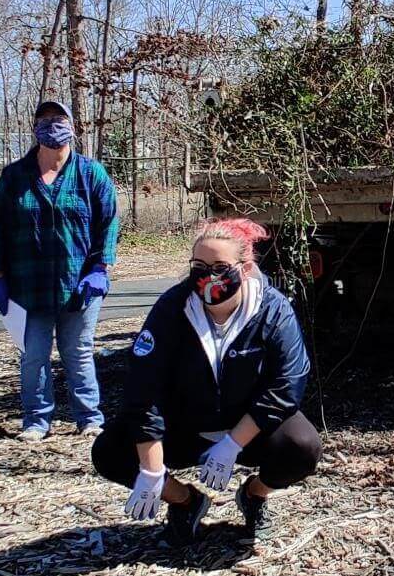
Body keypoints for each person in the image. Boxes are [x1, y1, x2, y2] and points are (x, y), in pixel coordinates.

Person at [93, 218, 320, 544]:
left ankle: (254, 496)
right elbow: (143, 388)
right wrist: (152, 471)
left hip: (248, 430)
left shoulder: (273, 310)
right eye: (199, 265)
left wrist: (233, 444)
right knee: (110, 451)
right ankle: (186, 502)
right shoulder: (172, 308)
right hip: (186, 425)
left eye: (219, 265)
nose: (207, 275)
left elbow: (287, 384)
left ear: (244, 268)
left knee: (302, 446)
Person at [0, 99, 119, 441]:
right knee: (34, 356)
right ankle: (36, 419)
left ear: (72, 127)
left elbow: (108, 224)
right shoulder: (14, 177)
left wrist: (100, 268)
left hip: (80, 286)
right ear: (34, 129)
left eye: (58, 119)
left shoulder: (91, 174)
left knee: (78, 352)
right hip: (28, 288)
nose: (52, 126)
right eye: (44, 120)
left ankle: (89, 418)